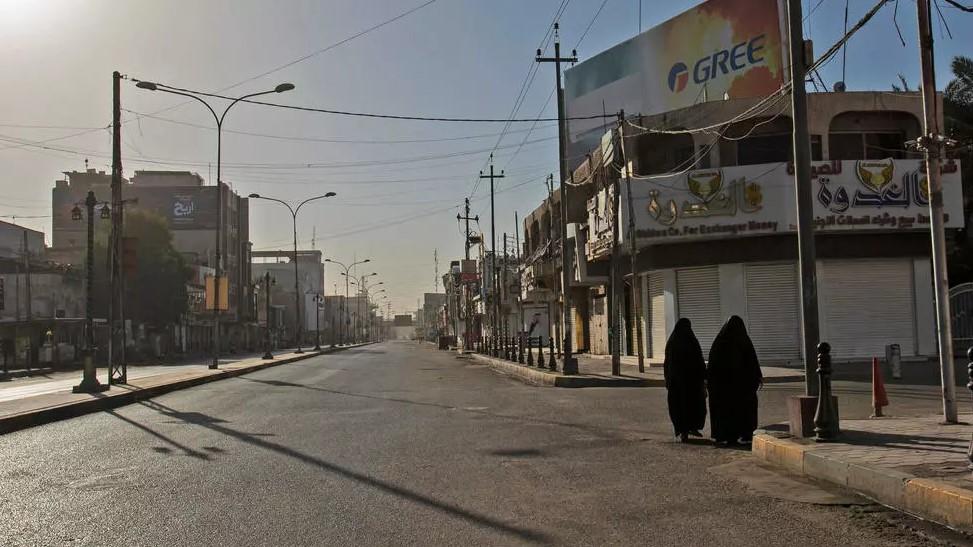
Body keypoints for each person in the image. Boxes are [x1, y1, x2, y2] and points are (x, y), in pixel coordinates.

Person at [707, 315, 763, 446]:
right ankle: (745, 434)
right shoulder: (744, 341)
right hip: (742, 388)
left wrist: (711, 384)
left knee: (725, 411)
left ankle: (725, 435)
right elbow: (753, 364)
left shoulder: (720, 342)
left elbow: (712, 367)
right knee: (744, 410)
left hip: (723, 389)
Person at [663, 318, 707, 442]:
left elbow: (667, 363)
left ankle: (683, 430)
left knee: (679, 407)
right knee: (692, 406)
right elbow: (699, 360)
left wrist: (667, 379)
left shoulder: (672, 342)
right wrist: (704, 377)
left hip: (676, 383)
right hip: (692, 382)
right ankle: (690, 428)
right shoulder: (692, 341)